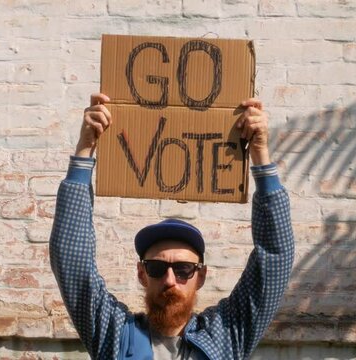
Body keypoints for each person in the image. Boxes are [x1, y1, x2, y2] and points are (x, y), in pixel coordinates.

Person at [50, 93, 294, 360]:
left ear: (200, 276)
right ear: (142, 274)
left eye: (183, 269)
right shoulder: (115, 333)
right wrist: (85, 147)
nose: (169, 280)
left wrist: (260, 152)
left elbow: (275, 260)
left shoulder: (225, 335)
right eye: (157, 268)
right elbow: (72, 261)